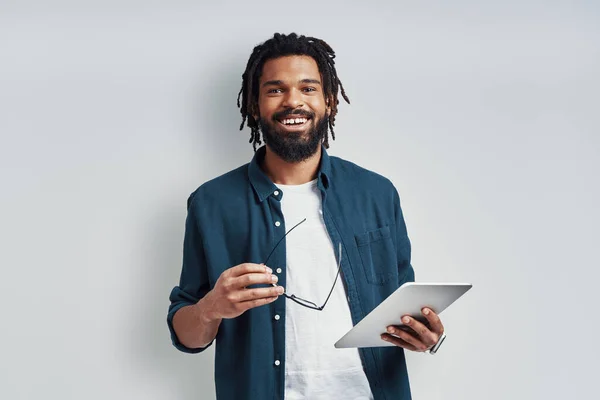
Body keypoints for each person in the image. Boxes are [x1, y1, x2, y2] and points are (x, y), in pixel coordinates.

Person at [167, 32, 446, 400]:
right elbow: (186, 336)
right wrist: (210, 309)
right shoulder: (211, 204)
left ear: (329, 102)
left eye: (308, 88)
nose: (293, 101)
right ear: (255, 105)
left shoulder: (377, 194)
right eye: (275, 90)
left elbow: (406, 310)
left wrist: (428, 336)